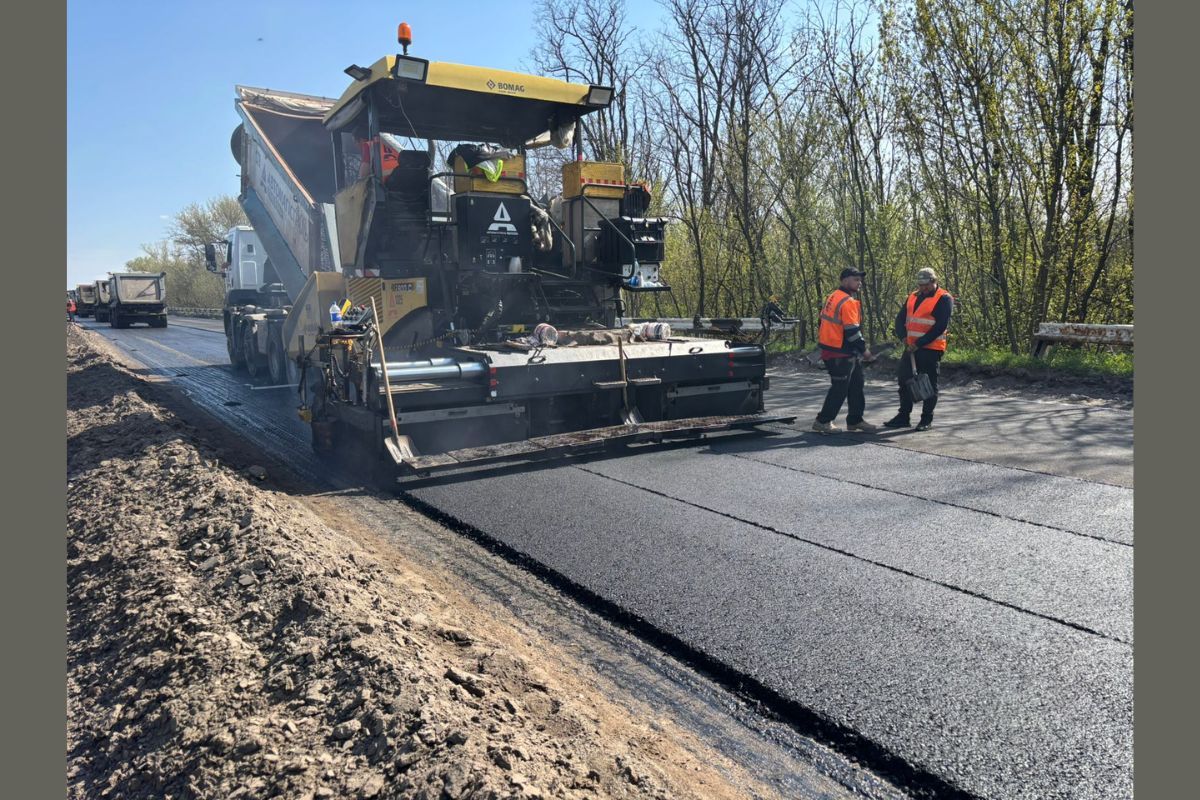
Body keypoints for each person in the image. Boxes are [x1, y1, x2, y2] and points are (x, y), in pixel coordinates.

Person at [884, 267, 954, 431]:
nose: (923, 288)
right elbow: (900, 319)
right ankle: (903, 416)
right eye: (920, 285)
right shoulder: (913, 296)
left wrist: (920, 343)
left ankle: (926, 419)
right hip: (910, 348)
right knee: (904, 380)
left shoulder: (944, 298)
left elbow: (940, 326)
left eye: (926, 285)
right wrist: (903, 338)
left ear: (934, 281)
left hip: (931, 348)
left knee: (929, 384)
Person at [811, 268, 877, 434]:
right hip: (839, 352)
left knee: (856, 385)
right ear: (845, 280)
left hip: (840, 350)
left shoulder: (833, 296)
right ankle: (823, 421)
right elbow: (852, 332)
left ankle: (855, 420)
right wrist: (865, 351)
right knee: (840, 388)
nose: (859, 283)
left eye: (859, 280)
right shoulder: (846, 301)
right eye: (856, 279)